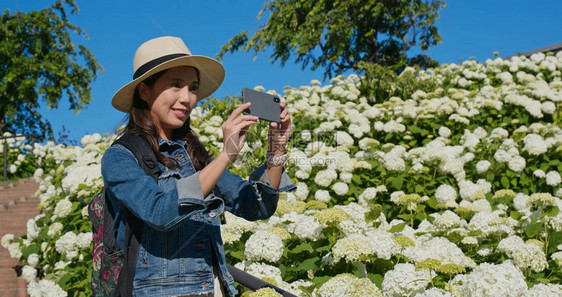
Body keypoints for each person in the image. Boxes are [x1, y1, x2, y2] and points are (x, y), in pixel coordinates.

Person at [101, 36, 296, 297]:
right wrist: (226, 155)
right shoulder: (120, 157)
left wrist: (277, 149)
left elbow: (256, 206)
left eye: (193, 88)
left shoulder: (196, 157)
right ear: (144, 91)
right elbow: (158, 211)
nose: (187, 98)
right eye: (175, 85)